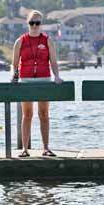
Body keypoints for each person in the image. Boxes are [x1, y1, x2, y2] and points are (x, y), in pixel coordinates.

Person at [11, 10, 63, 158]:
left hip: (44, 79)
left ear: (41, 24)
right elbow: (14, 64)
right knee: (27, 114)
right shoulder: (20, 41)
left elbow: (53, 61)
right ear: (27, 23)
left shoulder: (47, 41)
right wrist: (14, 76)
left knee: (44, 114)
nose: (34, 25)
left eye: (37, 23)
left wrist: (57, 76)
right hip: (26, 80)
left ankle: (46, 148)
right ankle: (25, 150)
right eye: (31, 22)